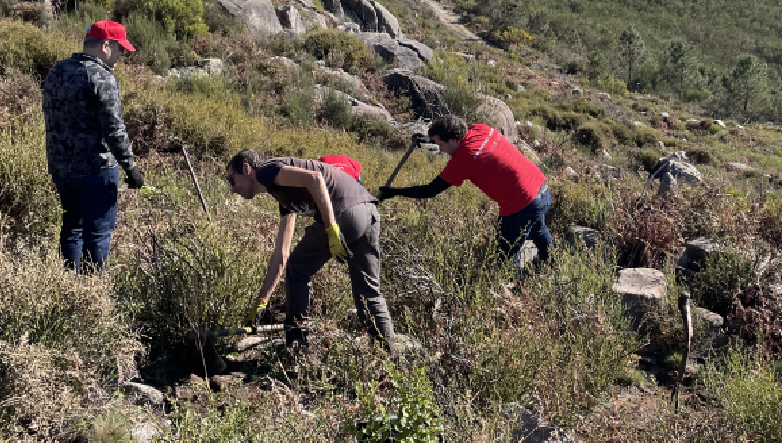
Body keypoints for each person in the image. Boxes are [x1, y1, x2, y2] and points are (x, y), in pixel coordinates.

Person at [226, 149, 394, 350]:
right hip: (369, 213)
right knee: (368, 291)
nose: (233, 189)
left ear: (246, 169)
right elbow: (282, 254)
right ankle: (390, 355)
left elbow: (314, 178)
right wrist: (262, 300)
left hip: (347, 213)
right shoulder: (282, 194)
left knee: (298, 269)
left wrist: (331, 228)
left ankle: (296, 346)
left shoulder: (266, 170)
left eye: (231, 181)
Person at [379, 115, 550, 276]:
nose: (441, 149)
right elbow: (455, 143)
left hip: (522, 204)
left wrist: (394, 192)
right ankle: (551, 265)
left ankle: (519, 290)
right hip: (540, 187)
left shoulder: (464, 159)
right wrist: (426, 139)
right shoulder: (480, 129)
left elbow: (430, 190)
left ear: (453, 140)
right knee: (539, 232)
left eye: (441, 146)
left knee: (503, 258)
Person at [42, 21, 144, 271]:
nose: (121, 56)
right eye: (120, 50)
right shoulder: (102, 77)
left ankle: (69, 289)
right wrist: (131, 168)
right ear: (106, 46)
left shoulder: (57, 70)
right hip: (95, 170)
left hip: (61, 168)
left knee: (71, 229)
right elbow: (114, 130)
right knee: (98, 233)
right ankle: (91, 295)